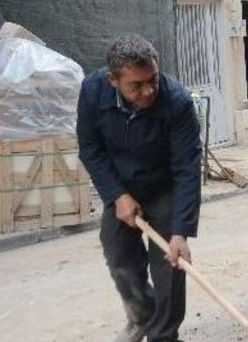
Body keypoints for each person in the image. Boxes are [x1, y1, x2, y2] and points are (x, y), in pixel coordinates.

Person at [77, 34, 201, 342]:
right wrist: (117, 195)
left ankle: (163, 335)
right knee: (120, 257)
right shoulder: (93, 93)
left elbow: (187, 167)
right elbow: (90, 148)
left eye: (153, 80)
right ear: (113, 80)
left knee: (171, 264)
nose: (148, 91)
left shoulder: (177, 102)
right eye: (137, 85)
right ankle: (143, 317)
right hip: (120, 186)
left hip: (164, 187)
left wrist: (180, 232)